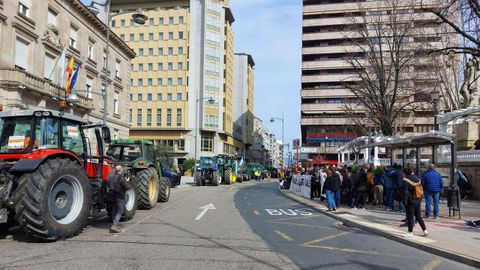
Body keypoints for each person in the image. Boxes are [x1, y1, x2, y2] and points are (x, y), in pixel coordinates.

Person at [403, 167, 428, 237]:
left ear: (405, 173)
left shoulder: (406, 180)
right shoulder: (417, 178)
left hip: (410, 200)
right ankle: (425, 230)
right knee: (418, 216)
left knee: (410, 216)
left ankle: (410, 232)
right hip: (418, 199)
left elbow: (406, 192)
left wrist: (404, 200)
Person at [108, 165, 132, 233]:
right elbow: (127, 187)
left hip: (112, 196)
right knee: (119, 212)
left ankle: (114, 224)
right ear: (121, 170)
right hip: (119, 196)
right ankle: (114, 226)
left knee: (114, 210)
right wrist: (127, 181)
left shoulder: (110, 177)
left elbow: (108, 185)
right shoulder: (121, 178)